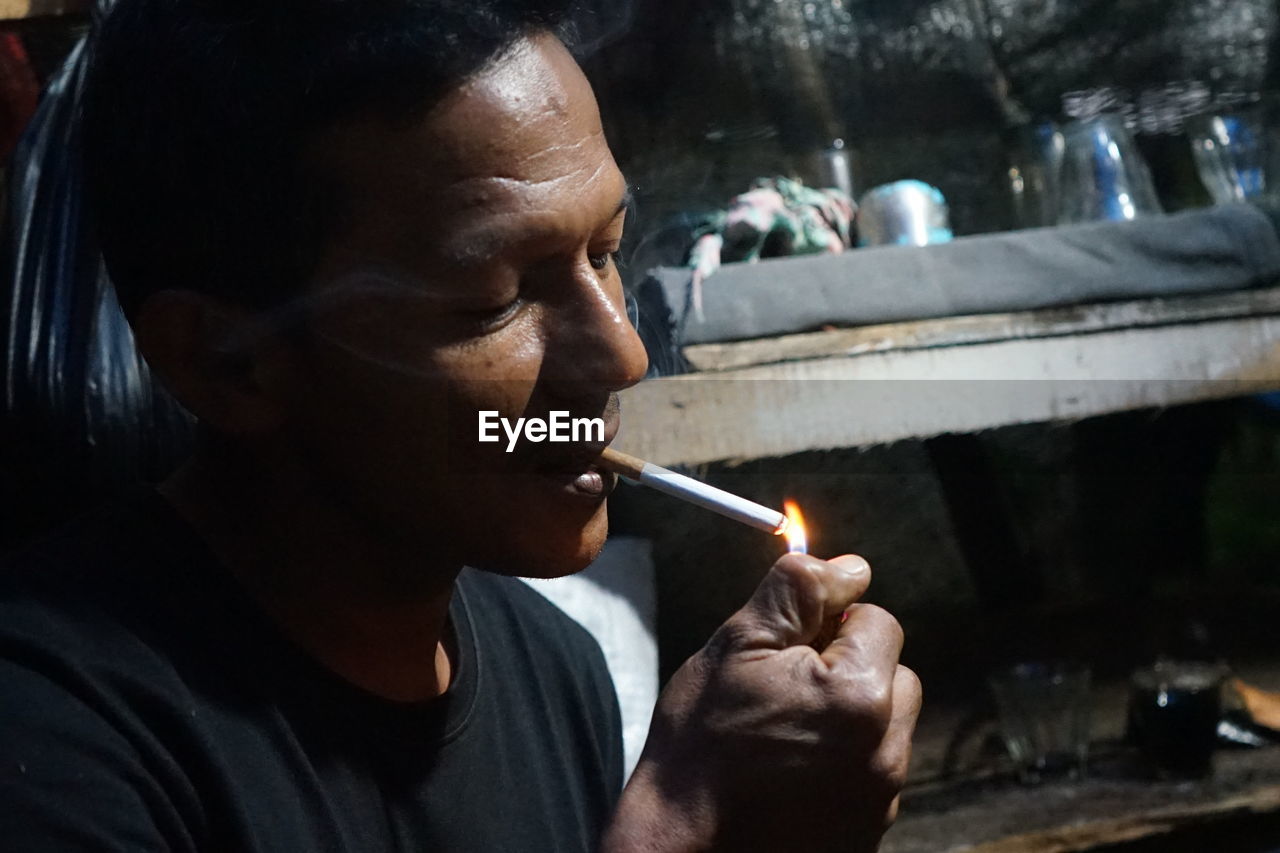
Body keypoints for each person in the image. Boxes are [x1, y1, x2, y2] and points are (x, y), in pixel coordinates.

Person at [0, 1, 921, 851]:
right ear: (226, 363)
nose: (619, 356)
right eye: (498, 297)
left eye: (606, 252)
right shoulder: (52, 739)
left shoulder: (554, 673)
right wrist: (680, 826)